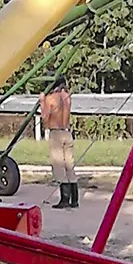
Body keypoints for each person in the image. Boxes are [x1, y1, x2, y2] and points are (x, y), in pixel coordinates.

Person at [39, 76, 78, 209]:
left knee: (59, 165)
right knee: (69, 165)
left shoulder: (51, 99)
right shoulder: (67, 97)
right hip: (67, 132)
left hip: (56, 132)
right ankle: (75, 199)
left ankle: (65, 199)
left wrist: (42, 102)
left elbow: (45, 118)